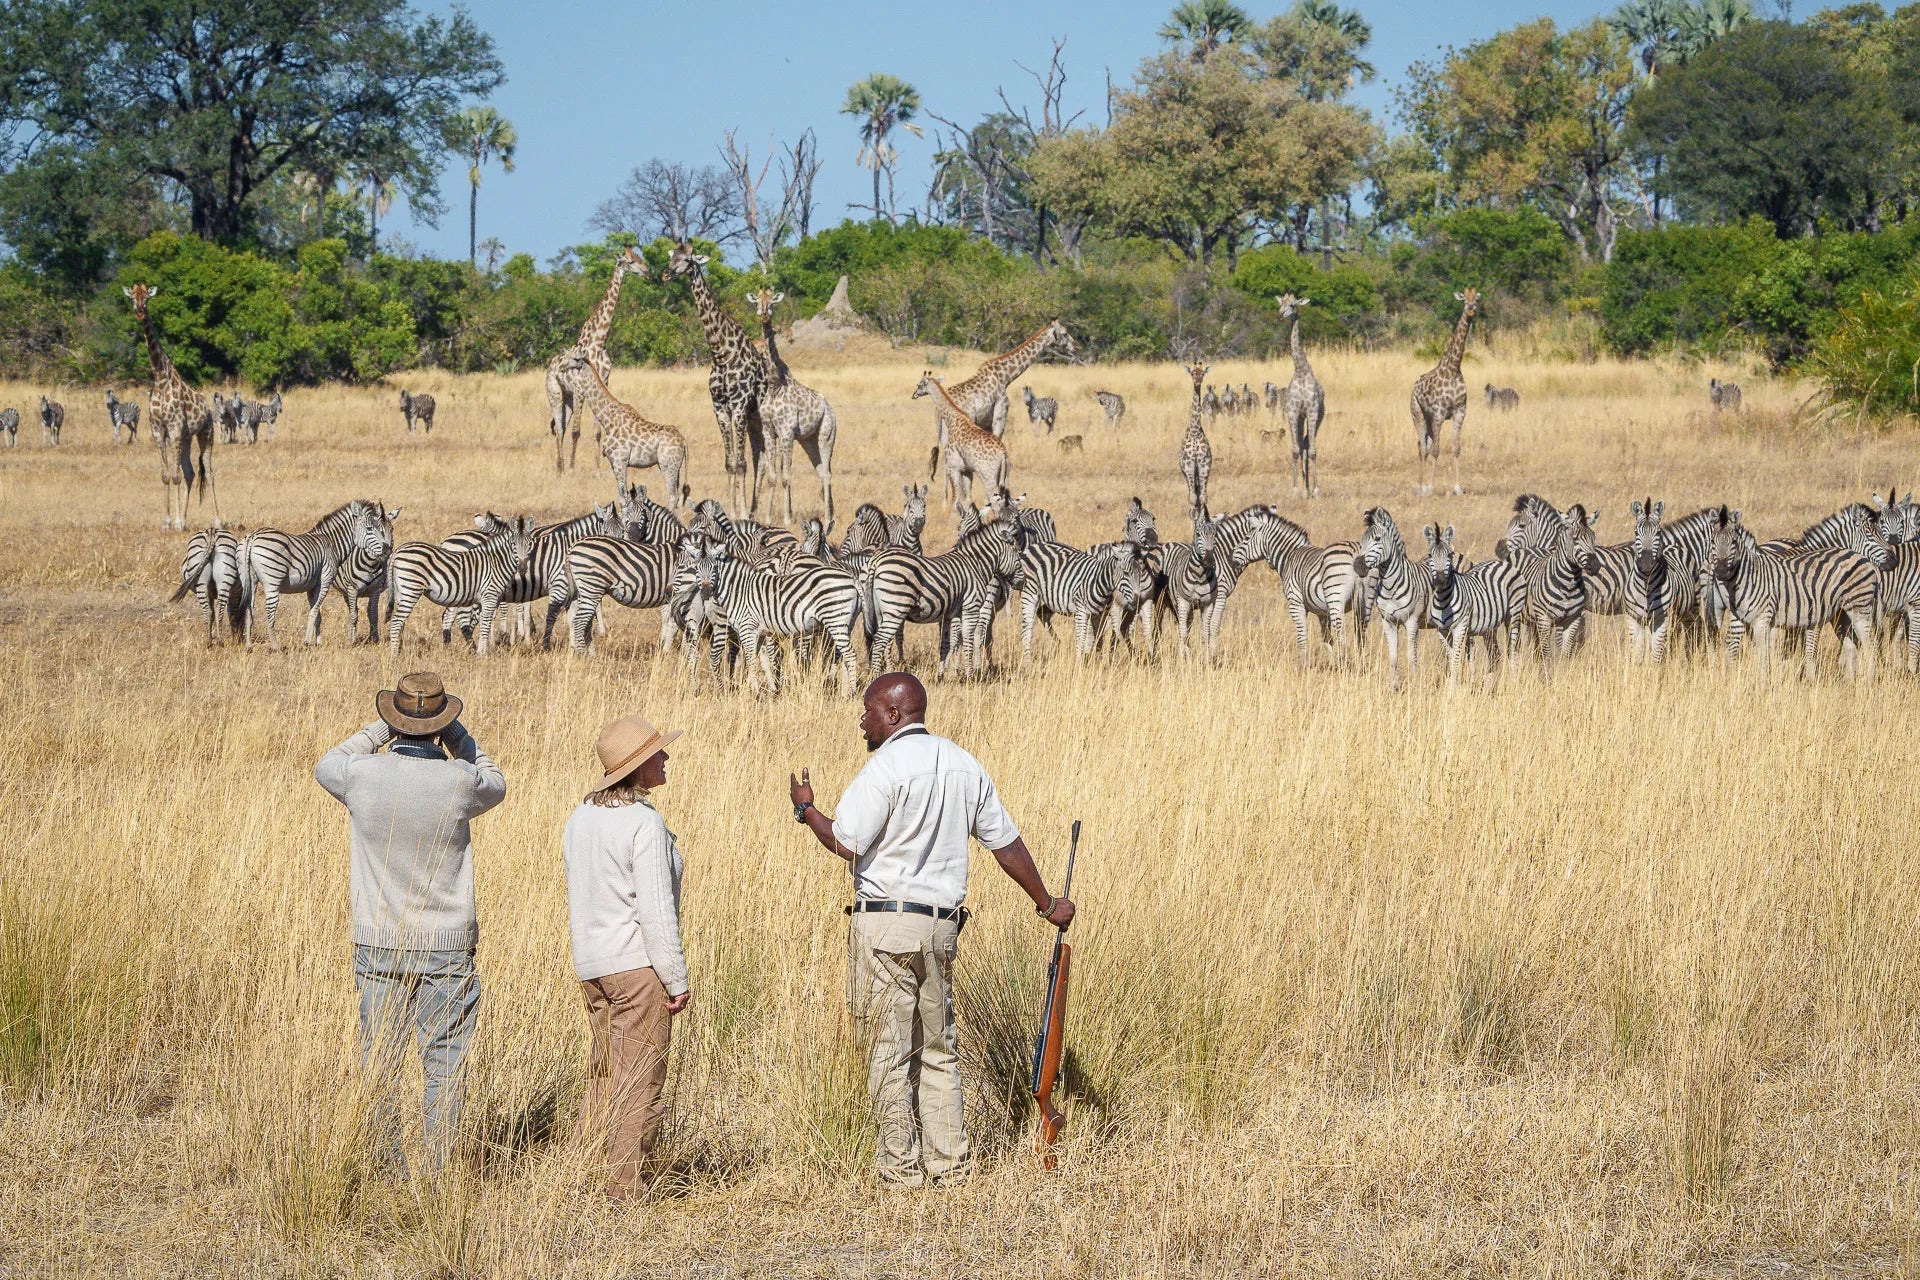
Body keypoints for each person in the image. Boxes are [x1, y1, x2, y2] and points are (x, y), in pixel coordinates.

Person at [788, 671, 1075, 1187]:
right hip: (942, 927)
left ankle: (900, 1170)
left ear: (894, 715)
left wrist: (807, 810)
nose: (862, 721)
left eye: (869, 710)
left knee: (887, 1047)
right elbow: (1005, 845)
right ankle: (951, 1165)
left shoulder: (885, 767)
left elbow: (848, 842)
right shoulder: (965, 764)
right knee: (940, 1047)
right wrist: (1046, 902)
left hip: (885, 924)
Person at [314, 671, 506, 1173]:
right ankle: (440, 1175)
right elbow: (496, 780)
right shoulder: (460, 781)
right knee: (445, 1065)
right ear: (441, 724)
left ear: (394, 721)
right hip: (446, 945)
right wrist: (459, 738)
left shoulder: (360, 776)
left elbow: (326, 763)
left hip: (379, 942)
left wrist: (376, 730)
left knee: (380, 1064)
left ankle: (387, 1169)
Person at [562, 715, 691, 1199]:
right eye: (657, 754)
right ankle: (625, 1186)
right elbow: (656, 910)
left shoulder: (580, 819)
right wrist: (675, 979)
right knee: (641, 1079)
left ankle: (582, 1171)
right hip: (636, 966)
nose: (666, 758)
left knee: (605, 1072)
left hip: (591, 964)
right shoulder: (644, 822)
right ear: (636, 769)